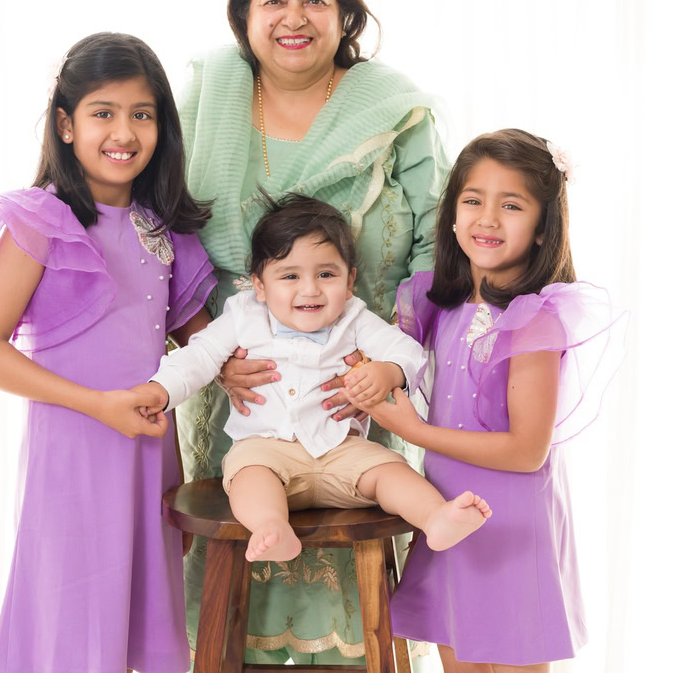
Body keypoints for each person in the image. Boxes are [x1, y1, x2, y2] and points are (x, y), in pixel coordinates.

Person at [177, 0, 450, 664]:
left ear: (345, 16)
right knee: (250, 508)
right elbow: (166, 231)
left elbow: (437, 240)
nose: (294, 16)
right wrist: (211, 346)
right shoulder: (206, 99)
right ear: (244, 14)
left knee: (361, 494)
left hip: (354, 377)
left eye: (315, 0)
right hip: (243, 379)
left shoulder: (395, 108)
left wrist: (386, 364)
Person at [0, 32, 216, 672]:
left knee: (145, 630)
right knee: (71, 628)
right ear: (66, 124)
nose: (124, 131)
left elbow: (207, 347)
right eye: (104, 112)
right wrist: (96, 405)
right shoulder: (40, 221)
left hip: (149, 457)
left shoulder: (164, 233)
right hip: (71, 457)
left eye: (142, 114)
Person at [358, 129, 624, 672]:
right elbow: (388, 352)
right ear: (452, 213)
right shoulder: (437, 301)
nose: (487, 219)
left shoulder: (533, 320)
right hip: (452, 516)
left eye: (512, 205)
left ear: (543, 224)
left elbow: (527, 451)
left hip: (512, 528)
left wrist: (413, 431)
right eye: (473, 200)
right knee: (458, 658)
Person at [132, 195, 491, 562]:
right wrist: (159, 392)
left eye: (326, 274)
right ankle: (272, 526)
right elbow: (199, 355)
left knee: (390, 471)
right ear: (259, 285)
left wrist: (389, 371)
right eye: (290, 276)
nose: (310, 289)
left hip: (342, 450)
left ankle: (435, 517)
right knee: (247, 475)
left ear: (350, 280)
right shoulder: (244, 316)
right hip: (268, 449)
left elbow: (410, 354)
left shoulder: (354, 318)